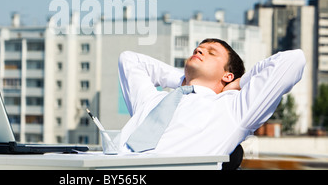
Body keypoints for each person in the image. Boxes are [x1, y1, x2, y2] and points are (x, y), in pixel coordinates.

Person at [117, 38, 306, 160]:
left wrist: (240, 83)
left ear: (227, 75)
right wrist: (183, 80)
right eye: (198, 48)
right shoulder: (153, 101)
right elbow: (129, 60)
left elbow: (294, 60)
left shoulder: (233, 108)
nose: (199, 49)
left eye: (211, 52)